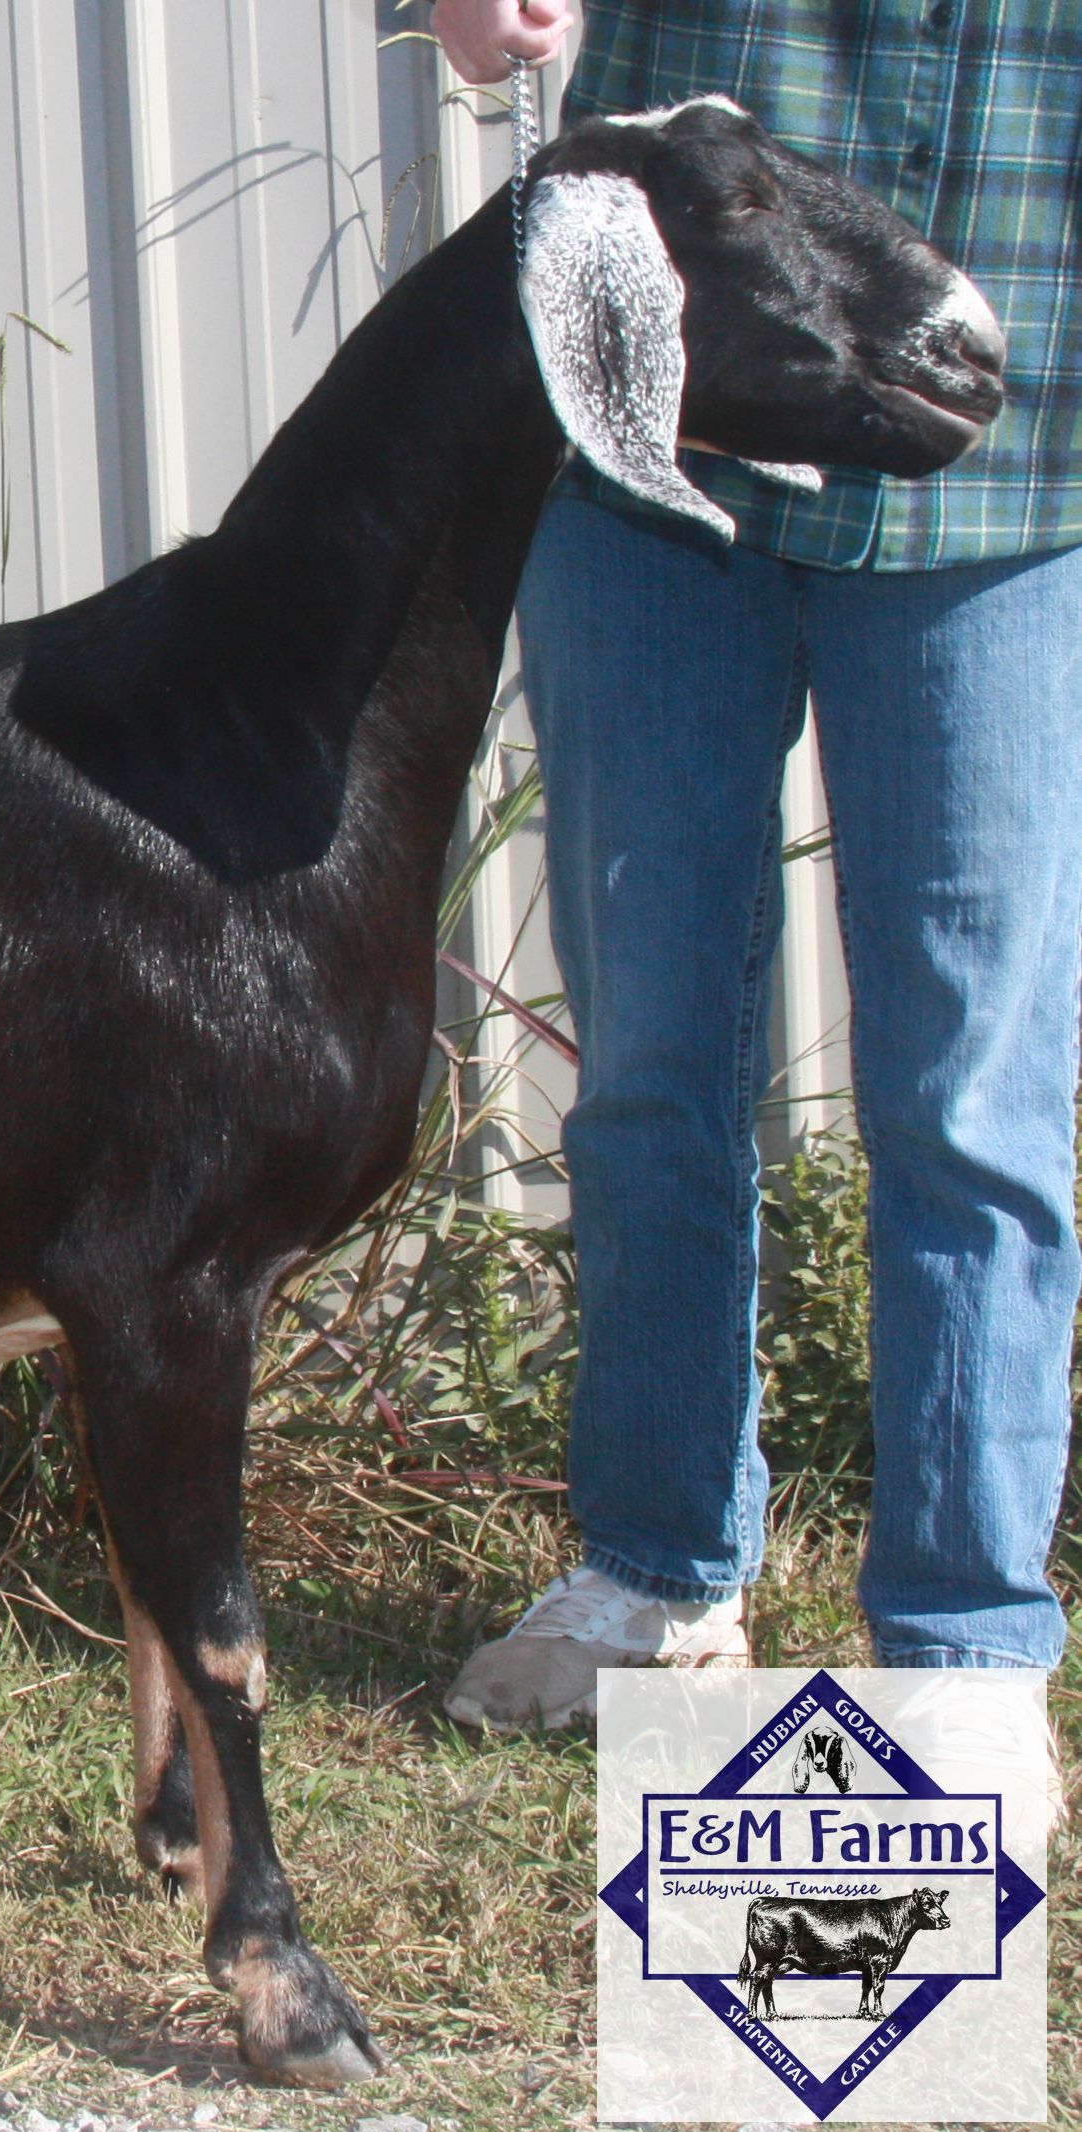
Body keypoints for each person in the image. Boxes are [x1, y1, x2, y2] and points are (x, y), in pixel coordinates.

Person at [426, 0, 1082, 1725]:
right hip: (658, 454)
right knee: (650, 1061)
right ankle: (658, 1574)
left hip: (1006, 482)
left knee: (973, 1099)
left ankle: (966, 1646)